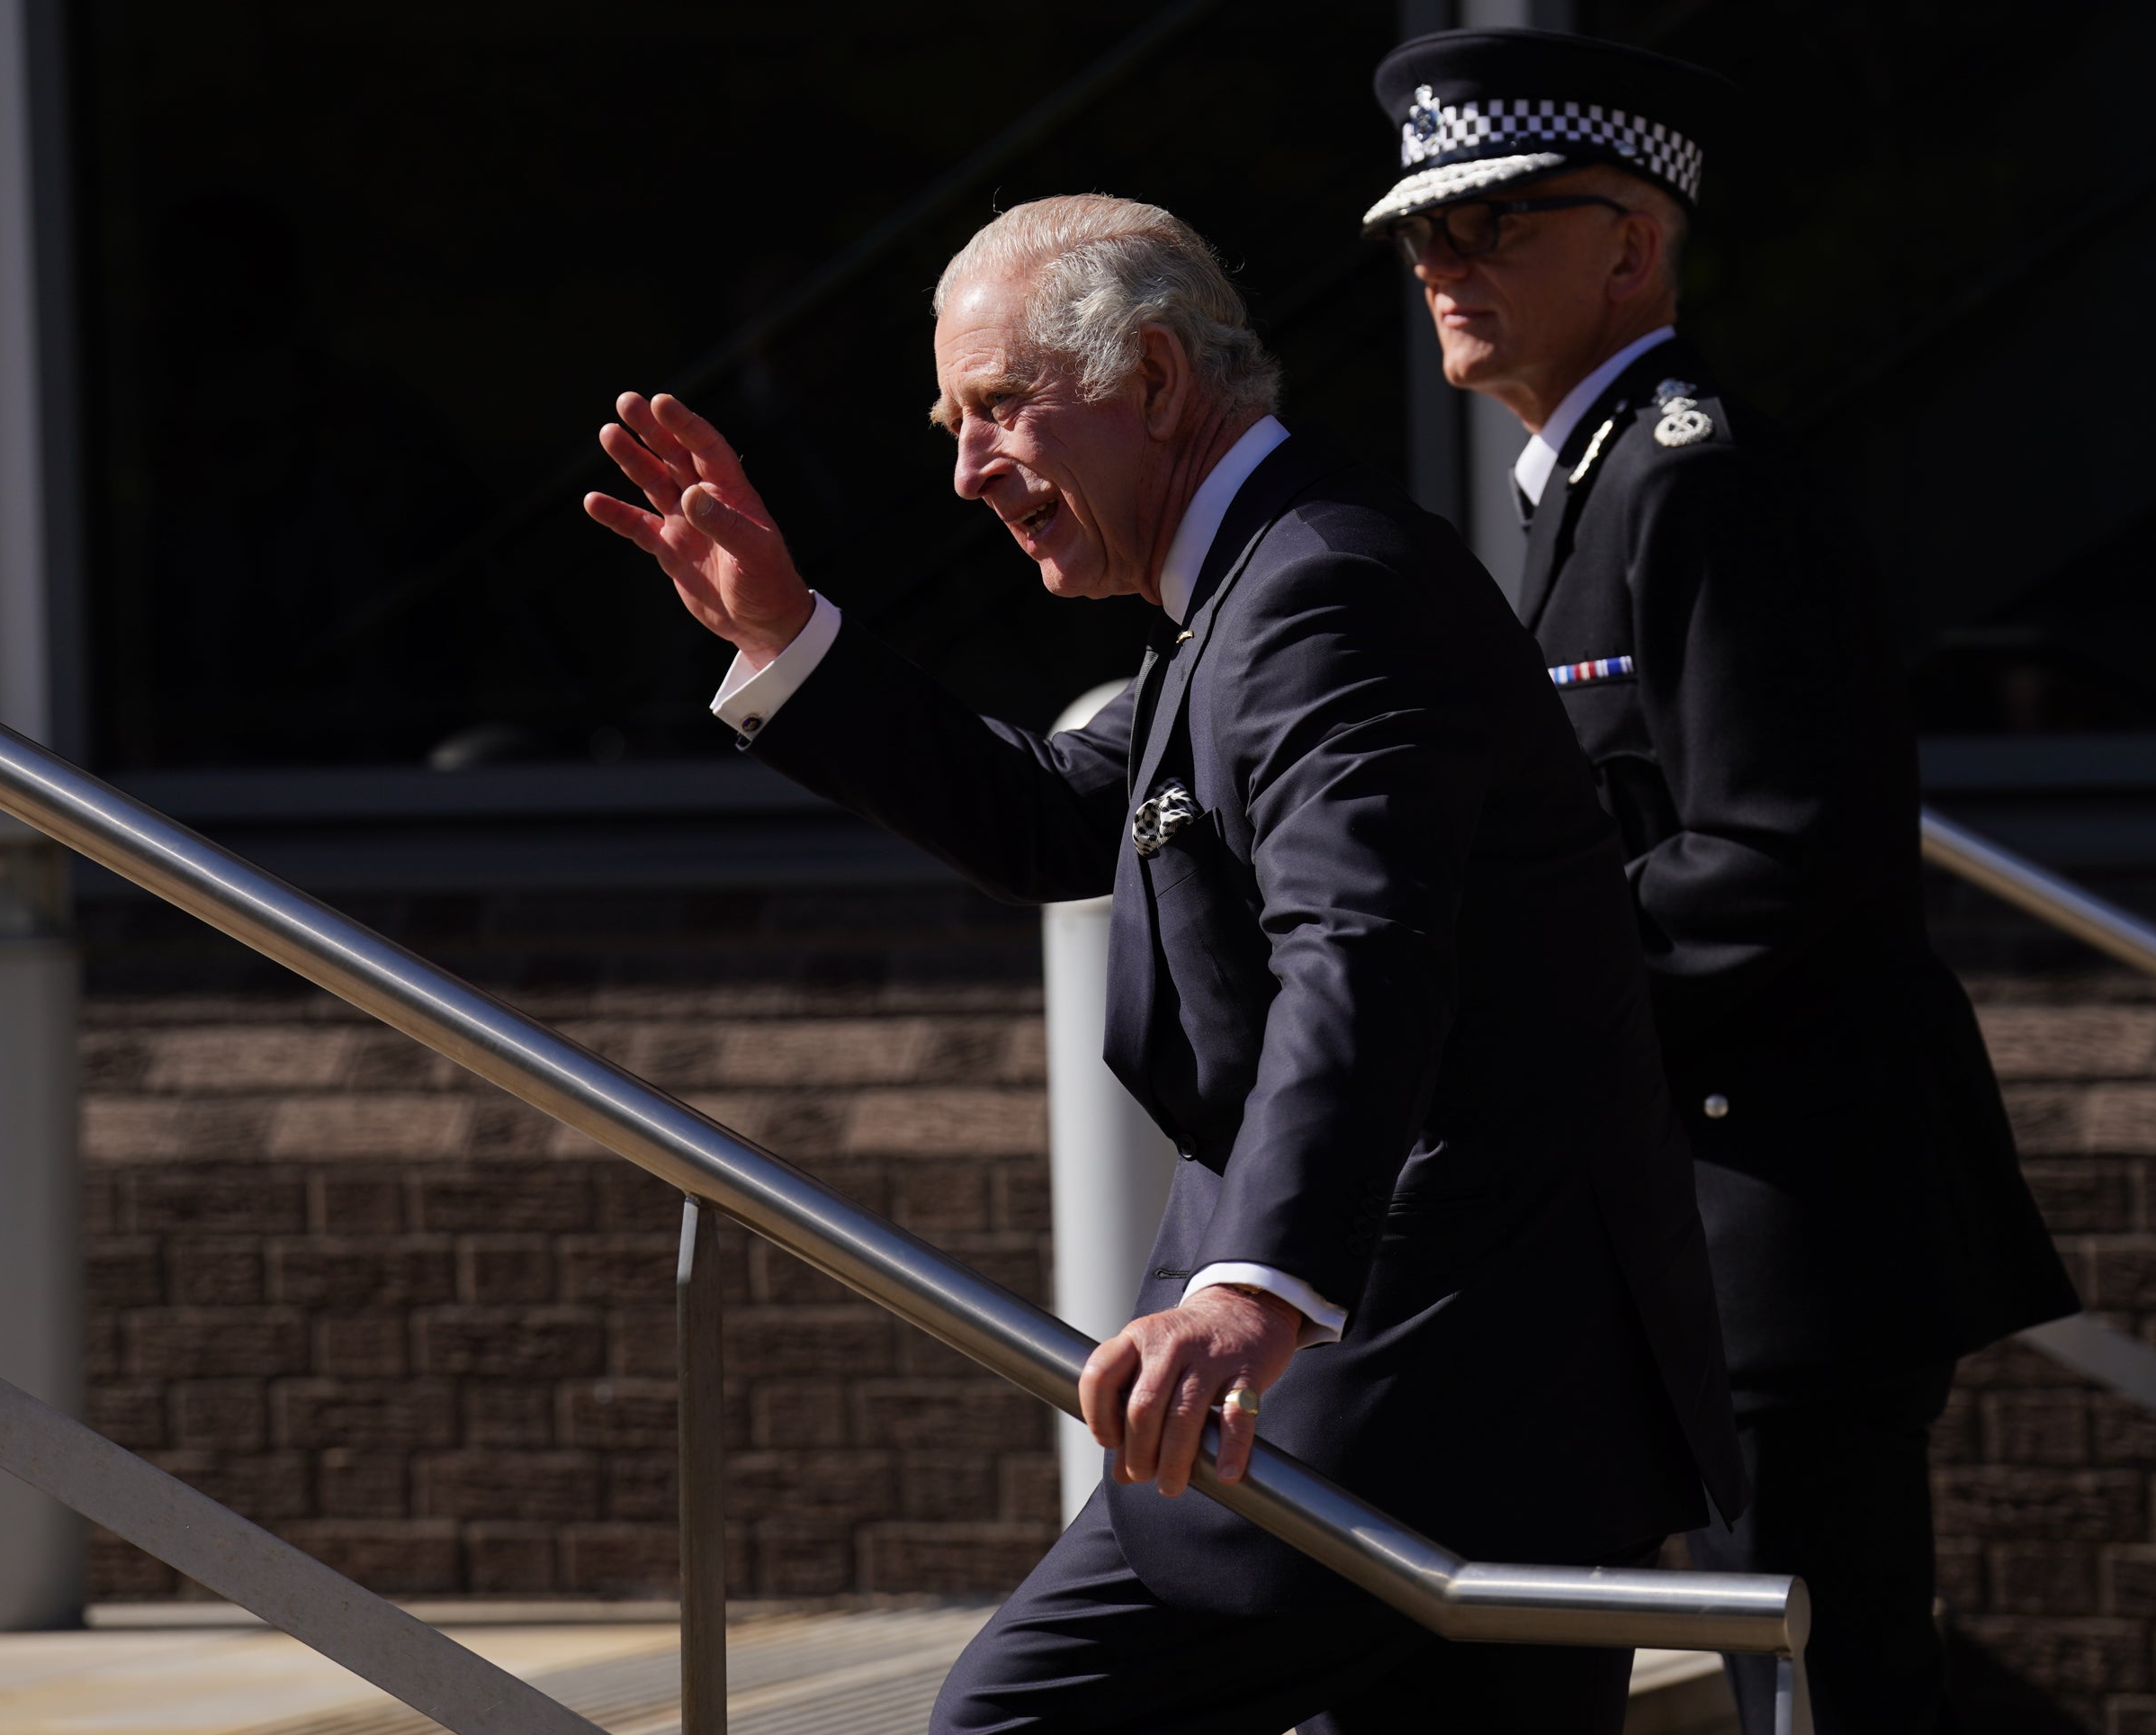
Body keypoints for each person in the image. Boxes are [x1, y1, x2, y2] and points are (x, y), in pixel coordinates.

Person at [586, 194, 1743, 1733]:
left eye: (1001, 408)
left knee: (1012, 1722)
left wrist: (1252, 1292)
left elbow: (1363, 947)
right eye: (951, 418)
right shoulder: (1258, 581)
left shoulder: (1321, 591)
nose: (965, 467)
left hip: (1411, 1387)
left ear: (1151, 378)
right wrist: (787, 635)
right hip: (1469, 1397)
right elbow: (1061, 817)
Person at [1363, 30, 2082, 1735]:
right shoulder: (1598, 486)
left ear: (1635, 242)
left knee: (1823, 1690)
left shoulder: (1699, 478)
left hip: (1789, 1218)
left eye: (1499, 226)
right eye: (1423, 238)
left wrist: (1509, 988)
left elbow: (1777, 853)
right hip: (1707, 1215)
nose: (1446, 269)